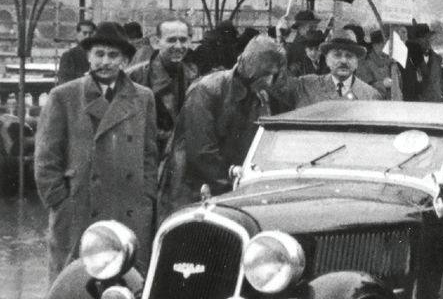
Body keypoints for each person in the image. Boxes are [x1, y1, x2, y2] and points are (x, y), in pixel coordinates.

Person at [34, 21, 158, 282]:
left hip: (129, 209)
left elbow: (149, 155)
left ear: (125, 59)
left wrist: (145, 197)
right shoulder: (64, 96)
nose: (105, 61)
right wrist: (61, 203)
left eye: (113, 55)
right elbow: (46, 161)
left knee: (127, 289)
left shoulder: (143, 97)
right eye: (99, 54)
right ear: (88, 57)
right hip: (79, 211)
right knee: (73, 290)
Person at [161, 35, 286, 215]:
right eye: (266, 73)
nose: (269, 81)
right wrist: (233, 175)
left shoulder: (260, 96)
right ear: (251, 68)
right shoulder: (207, 90)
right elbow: (200, 152)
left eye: (273, 74)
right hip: (193, 192)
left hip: (235, 190)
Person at [126, 18, 200, 158]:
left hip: (178, 159)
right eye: (171, 40)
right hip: (141, 157)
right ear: (155, 42)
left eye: (183, 40)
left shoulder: (193, 77)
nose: (178, 46)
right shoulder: (134, 77)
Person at [277, 35, 380, 109]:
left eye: (349, 56)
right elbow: (275, 86)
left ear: (357, 62)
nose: (343, 61)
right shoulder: (305, 86)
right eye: (337, 55)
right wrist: (278, 54)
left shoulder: (370, 96)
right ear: (327, 60)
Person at [402, 23, 443, 102]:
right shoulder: (405, 59)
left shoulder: (437, 59)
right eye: (423, 38)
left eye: (429, 37)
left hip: (436, 106)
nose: (427, 41)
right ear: (415, 41)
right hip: (416, 106)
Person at [55, 19, 95, 84]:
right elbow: (64, 82)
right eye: (84, 33)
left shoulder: (100, 56)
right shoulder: (69, 56)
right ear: (77, 34)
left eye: (91, 33)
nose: (88, 36)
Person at [357, 29, 394, 99]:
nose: (387, 49)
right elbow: (362, 89)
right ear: (375, 45)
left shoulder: (389, 61)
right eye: (383, 45)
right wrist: (382, 84)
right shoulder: (364, 63)